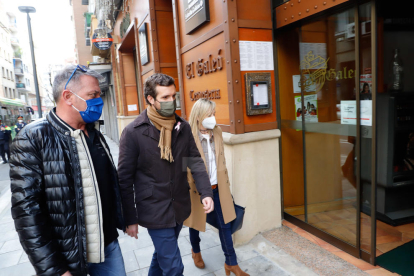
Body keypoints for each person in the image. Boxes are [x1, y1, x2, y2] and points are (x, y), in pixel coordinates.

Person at [9, 65, 126, 276]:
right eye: (93, 95)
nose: (99, 100)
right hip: (67, 257)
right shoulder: (32, 138)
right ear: (68, 97)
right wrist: (54, 269)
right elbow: (27, 213)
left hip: (108, 245)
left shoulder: (94, 134)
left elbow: (110, 183)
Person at [118, 73, 214, 276]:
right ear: (150, 99)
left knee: (162, 255)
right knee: (174, 267)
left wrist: (206, 192)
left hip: (179, 205)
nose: (172, 101)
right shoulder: (133, 132)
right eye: (165, 98)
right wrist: (130, 218)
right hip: (153, 209)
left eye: (173, 96)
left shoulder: (183, 127)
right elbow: (124, 180)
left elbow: (194, 161)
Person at [185, 99, 249, 276]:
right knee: (195, 224)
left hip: (218, 188)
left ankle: (231, 263)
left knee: (226, 225)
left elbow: (221, 161)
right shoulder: (188, 136)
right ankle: (195, 251)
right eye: (209, 114)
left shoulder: (217, 132)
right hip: (197, 190)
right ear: (198, 116)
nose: (213, 118)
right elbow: (187, 168)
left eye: (214, 113)